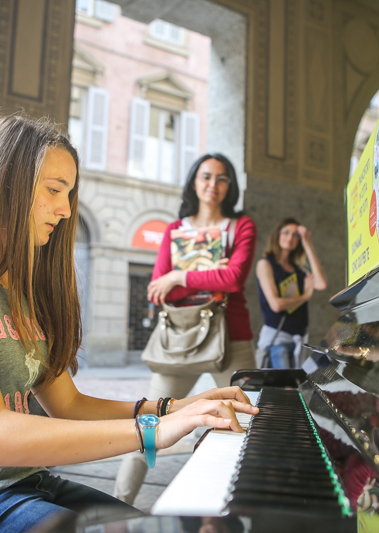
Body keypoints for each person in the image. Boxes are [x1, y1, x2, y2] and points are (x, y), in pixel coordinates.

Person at [0, 115, 257, 533]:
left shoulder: (20, 281)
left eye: (68, 193)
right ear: (2, 183)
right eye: (54, 190)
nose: (66, 209)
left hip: (25, 482)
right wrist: (153, 431)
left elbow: (68, 405)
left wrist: (177, 408)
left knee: (144, 526)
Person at [114, 153, 257, 504]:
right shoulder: (175, 231)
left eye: (222, 178)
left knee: (249, 423)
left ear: (230, 185)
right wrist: (208, 276)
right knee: (146, 423)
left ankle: (237, 507)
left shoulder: (242, 226)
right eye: (206, 176)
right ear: (194, 181)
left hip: (233, 340)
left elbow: (234, 278)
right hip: (180, 340)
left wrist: (180, 275)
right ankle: (116, 508)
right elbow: (157, 289)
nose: (213, 185)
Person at [255, 218, 327, 368]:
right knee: (286, 387)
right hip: (277, 338)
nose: (290, 237)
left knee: (295, 386)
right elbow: (276, 305)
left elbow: (321, 283)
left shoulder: (298, 271)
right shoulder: (266, 264)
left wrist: (308, 246)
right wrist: (305, 296)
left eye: (296, 235)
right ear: (277, 235)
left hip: (298, 339)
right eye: (286, 232)